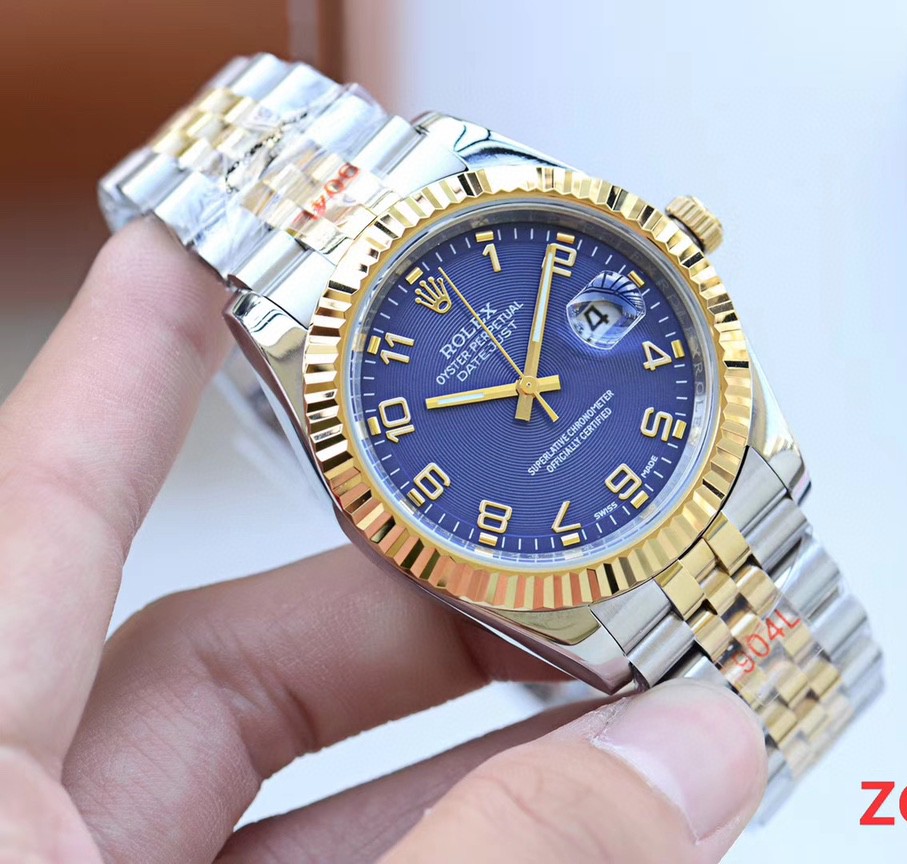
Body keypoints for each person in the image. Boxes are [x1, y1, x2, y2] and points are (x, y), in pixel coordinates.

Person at [0, 220, 765, 862]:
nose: (531, 391)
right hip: (576, 558)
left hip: (708, 478)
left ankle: (764, 708)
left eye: (528, 387)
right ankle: (760, 723)